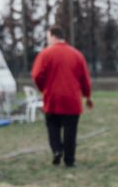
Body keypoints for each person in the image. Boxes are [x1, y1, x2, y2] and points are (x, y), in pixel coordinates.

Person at [30, 25, 92, 167]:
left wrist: (43, 88)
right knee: (70, 131)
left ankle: (57, 150)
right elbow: (85, 79)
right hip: (72, 100)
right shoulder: (77, 55)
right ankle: (69, 160)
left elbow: (36, 74)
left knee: (53, 127)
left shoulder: (45, 54)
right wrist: (87, 96)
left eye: (48, 38)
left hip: (52, 98)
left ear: (53, 36)